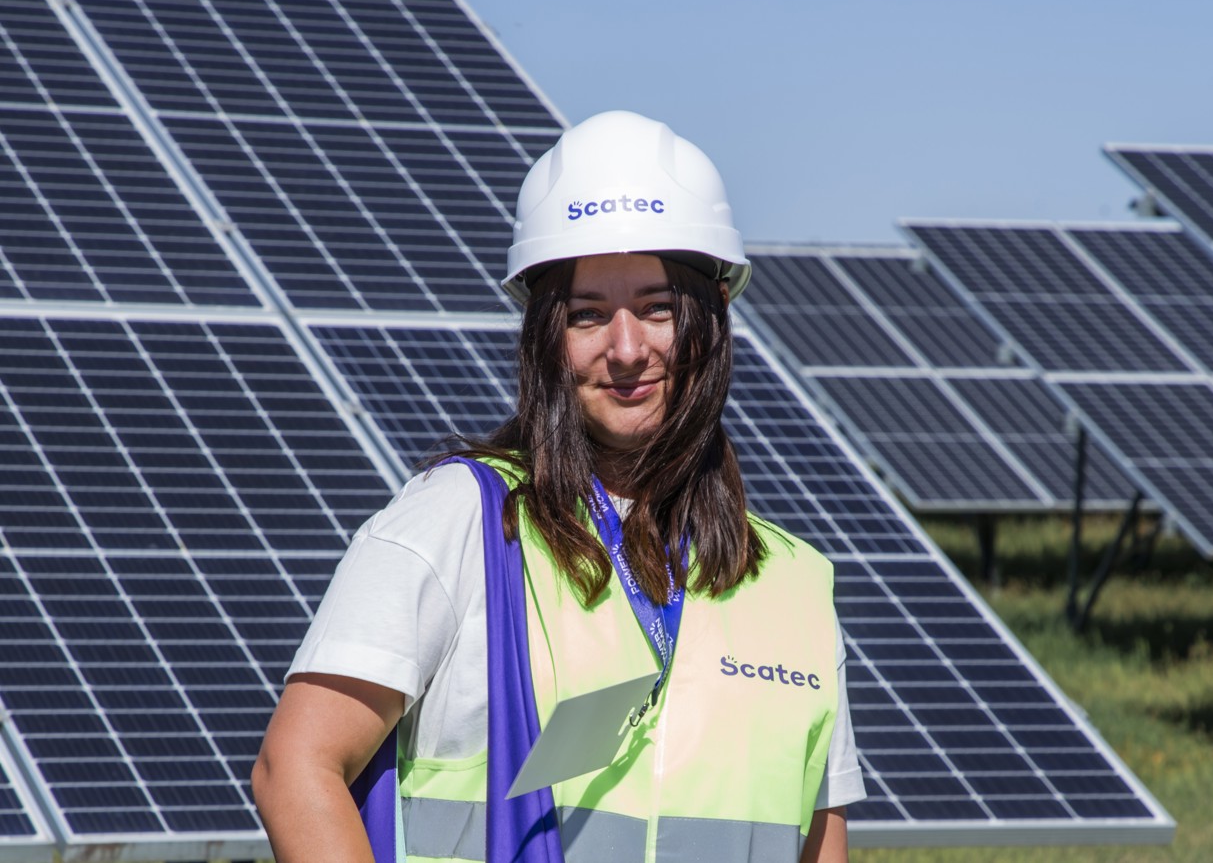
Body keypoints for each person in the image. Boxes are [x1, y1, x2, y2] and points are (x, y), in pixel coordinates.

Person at [252, 110, 866, 862]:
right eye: (586, 316)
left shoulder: (794, 583)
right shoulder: (459, 522)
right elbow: (296, 768)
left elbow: (818, 840)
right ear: (547, 337)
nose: (626, 349)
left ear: (712, 319)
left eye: (657, 308)